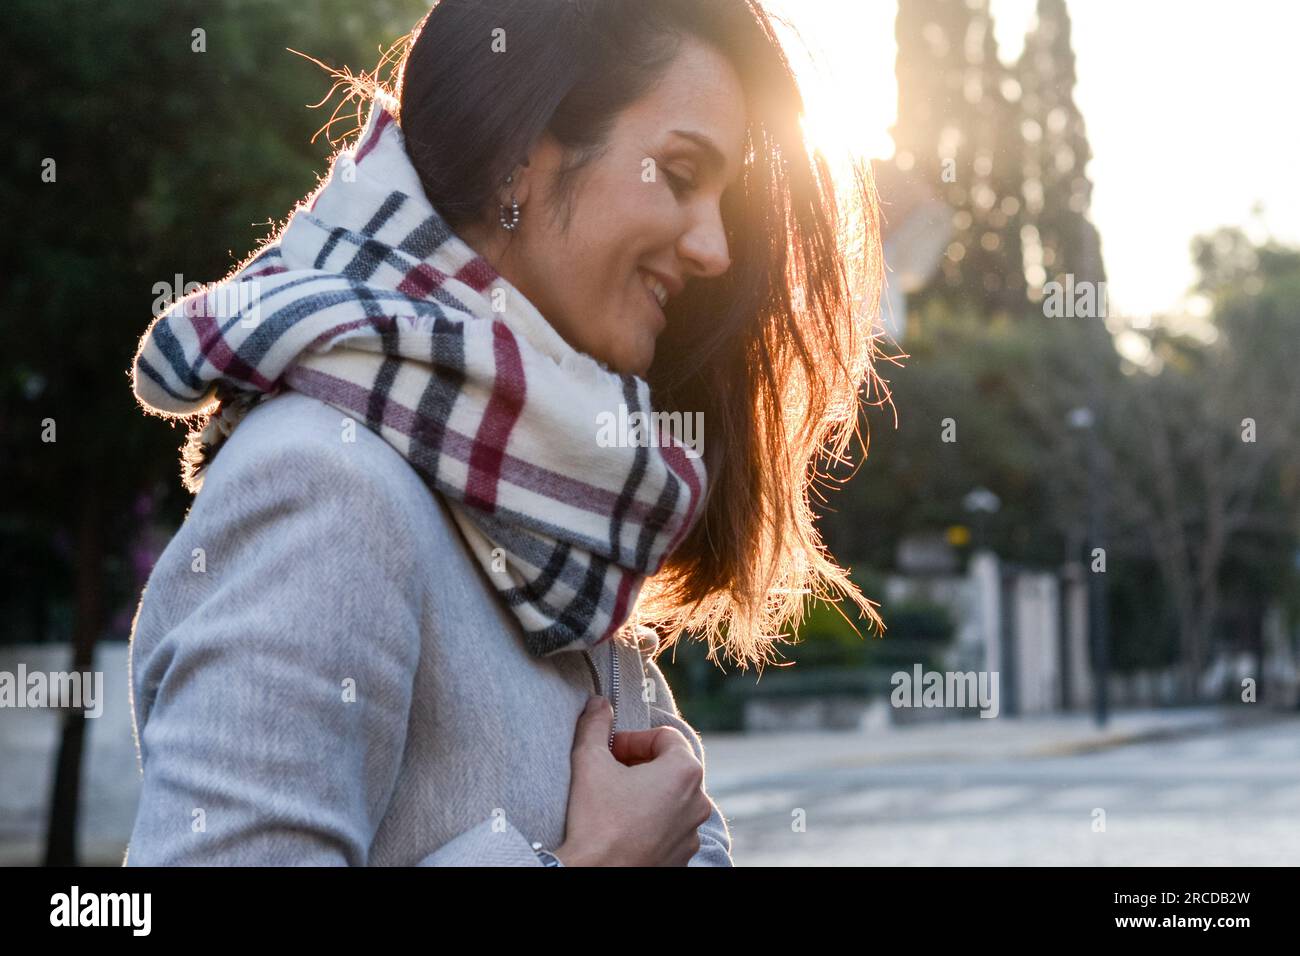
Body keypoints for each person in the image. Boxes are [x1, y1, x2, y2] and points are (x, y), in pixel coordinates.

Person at [124, 0, 887, 866]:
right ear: (520, 157)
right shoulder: (325, 487)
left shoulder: (544, 527)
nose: (714, 247)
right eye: (680, 175)